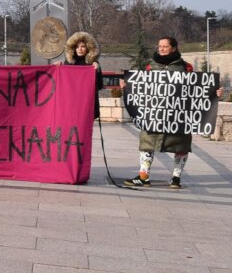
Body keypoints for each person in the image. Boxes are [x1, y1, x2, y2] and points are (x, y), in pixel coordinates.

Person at [124, 36, 223, 188]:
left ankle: (176, 178)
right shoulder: (150, 67)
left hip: (178, 116)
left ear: (174, 48)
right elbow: (142, 89)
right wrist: (127, 86)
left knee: (181, 146)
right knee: (147, 143)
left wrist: (214, 93)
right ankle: (143, 176)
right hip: (155, 115)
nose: (161, 49)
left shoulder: (186, 68)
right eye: (159, 46)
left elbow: (197, 90)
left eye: (165, 46)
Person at [63, 31, 103, 120]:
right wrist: (58, 68)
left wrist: (97, 71)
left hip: (88, 104)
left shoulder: (93, 63)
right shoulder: (69, 63)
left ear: (88, 47)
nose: (80, 49)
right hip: (72, 103)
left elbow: (99, 86)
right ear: (73, 48)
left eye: (83, 46)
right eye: (77, 47)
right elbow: (64, 84)